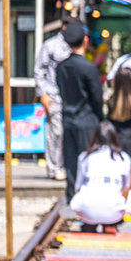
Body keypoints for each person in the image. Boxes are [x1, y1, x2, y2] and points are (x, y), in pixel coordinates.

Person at [55, 21, 103, 200]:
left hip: (68, 118)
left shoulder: (61, 67)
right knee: (89, 161)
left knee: (71, 161)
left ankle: (72, 196)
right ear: (85, 39)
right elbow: (96, 97)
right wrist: (101, 117)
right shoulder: (89, 67)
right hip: (88, 119)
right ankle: (88, 196)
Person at [70, 121, 131, 233]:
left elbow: (77, 186)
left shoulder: (85, 156)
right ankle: (110, 223)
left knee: (85, 206)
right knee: (112, 209)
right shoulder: (124, 158)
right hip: (114, 211)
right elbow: (126, 188)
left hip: (86, 210)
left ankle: (89, 222)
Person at [33, 14, 75, 181]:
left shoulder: (76, 45)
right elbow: (39, 70)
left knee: (68, 133)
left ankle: (66, 166)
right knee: (55, 133)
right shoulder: (50, 45)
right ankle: (54, 168)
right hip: (53, 96)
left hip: (71, 98)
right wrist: (42, 93)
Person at [107, 66, 131, 188]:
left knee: (117, 172)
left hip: (117, 139)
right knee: (128, 176)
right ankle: (124, 199)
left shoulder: (111, 101)